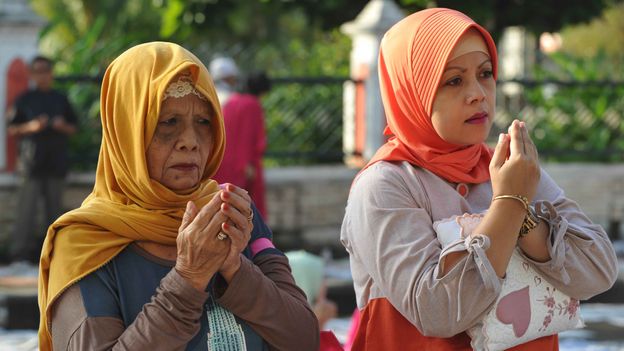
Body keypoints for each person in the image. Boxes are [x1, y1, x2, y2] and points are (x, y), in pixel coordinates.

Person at [339, 8, 618, 350]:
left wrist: (523, 218)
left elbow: (598, 271)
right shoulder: (386, 185)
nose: (478, 93)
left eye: (485, 74)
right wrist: (509, 205)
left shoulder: (511, 167)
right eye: (454, 80)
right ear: (412, 91)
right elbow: (438, 313)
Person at [37, 42, 319, 351]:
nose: (190, 142)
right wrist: (188, 279)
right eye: (168, 122)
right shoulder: (84, 244)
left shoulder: (232, 212)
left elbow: (303, 338)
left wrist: (237, 270)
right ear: (127, 132)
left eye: (203, 123)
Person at [6, 55, 77, 264]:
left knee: (54, 214)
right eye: (38, 71)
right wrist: (32, 126)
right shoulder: (25, 99)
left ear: (51, 73)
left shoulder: (60, 99)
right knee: (25, 213)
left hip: (56, 163)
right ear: (32, 74)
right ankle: (19, 255)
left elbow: (74, 127)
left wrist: (61, 126)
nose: (43, 75)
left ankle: (53, 256)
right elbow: (12, 129)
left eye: (46, 70)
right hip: (30, 164)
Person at [212, 70, 269, 218]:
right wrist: (247, 164)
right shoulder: (252, 105)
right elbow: (250, 137)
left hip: (222, 160)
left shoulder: (232, 101)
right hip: (242, 164)